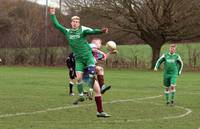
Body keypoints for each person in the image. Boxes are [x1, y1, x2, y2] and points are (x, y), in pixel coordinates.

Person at [49, 7, 110, 117]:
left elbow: (92, 31)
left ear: (79, 23)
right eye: (73, 21)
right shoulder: (67, 32)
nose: (75, 23)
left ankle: (100, 111)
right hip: (80, 61)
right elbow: (57, 25)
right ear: (71, 23)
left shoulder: (83, 29)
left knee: (97, 81)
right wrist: (53, 14)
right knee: (79, 78)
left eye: (77, 22)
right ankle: (83, 94)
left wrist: (101, 31)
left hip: (88, 58)